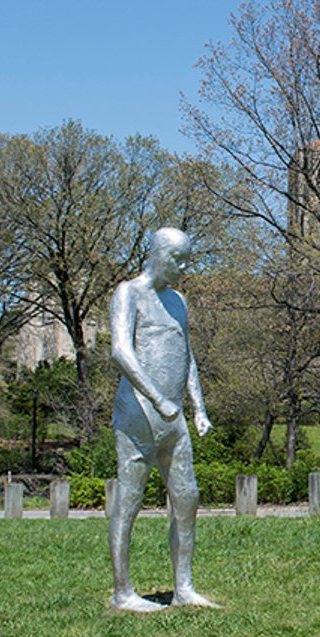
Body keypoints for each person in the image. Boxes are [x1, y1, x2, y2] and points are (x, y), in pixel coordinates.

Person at [108, 228, 219, 612]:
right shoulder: (129, 293)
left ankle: (183, 588)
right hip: (138, 414)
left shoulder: (179, 302)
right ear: (157, 254)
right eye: (178, 259)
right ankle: (123, 592)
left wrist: (198, 408)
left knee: (187, 499)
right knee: (130, 499)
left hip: (173, 420)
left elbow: (187, 357)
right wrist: (156, 398)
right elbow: (121, 351)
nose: (184, 267)